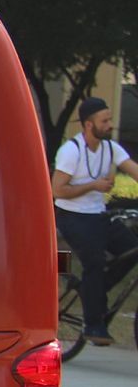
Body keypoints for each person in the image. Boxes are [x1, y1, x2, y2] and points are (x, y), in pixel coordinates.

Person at [52, 95, 138, 345]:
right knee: (95, 262)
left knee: (132, 250)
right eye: (105, 120)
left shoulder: (111, 148)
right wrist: (93, 185)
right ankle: (93, 324)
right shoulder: (71, 151)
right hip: (73, 217)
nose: (110, 124)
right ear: (89, 125)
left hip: (98, 215)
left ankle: (94, 293)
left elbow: (133, 169)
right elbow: (57, 190)